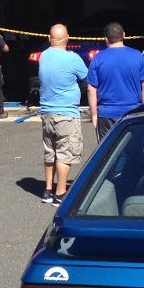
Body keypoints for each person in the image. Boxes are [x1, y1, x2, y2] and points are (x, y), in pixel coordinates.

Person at [38, 24, 89, 206]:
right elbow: (87, 77)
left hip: (47, 113)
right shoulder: (72, 59)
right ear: (67, 38)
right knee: (65, 153)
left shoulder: (44, 56)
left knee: (50, 152)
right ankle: (60, 193)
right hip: (66, 113)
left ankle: (48, 190)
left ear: (49, 38)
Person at [86, 22, 144, 143]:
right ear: (124, 35)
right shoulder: (137, 56)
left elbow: (91, 88)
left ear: (106, 39)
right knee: (134, 151)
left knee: (108, 153)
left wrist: (94, 114)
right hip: (133, 112)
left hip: (106, 114)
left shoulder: (98, 58)